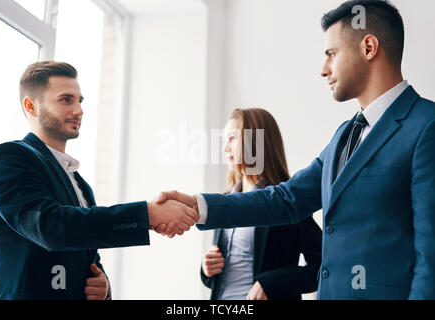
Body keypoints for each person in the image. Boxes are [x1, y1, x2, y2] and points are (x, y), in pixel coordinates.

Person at [156, 0, 435, 299]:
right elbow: (286, 200)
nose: (323, 69)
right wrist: (198, 206)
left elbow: (430, 258)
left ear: (368, 47)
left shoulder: (426, 126)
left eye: (331, 54)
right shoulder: (344, 135)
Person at [0, 61, 198, 300]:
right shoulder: (8, 158)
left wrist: (103, 287)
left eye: (79, 100)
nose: (79, 110)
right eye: (66, 99)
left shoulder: (80, 183)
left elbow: (88, 255)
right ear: (31, 106)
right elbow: (49, 227)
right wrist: (147, 214)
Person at [200, 108, 321, 300]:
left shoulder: (287, 202)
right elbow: (228, 273)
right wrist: (207, 270)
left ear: (253, 141)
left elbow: (322, 267)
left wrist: (270, 283)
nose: (224, 149)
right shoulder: (225, 200)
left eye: (232, 139)